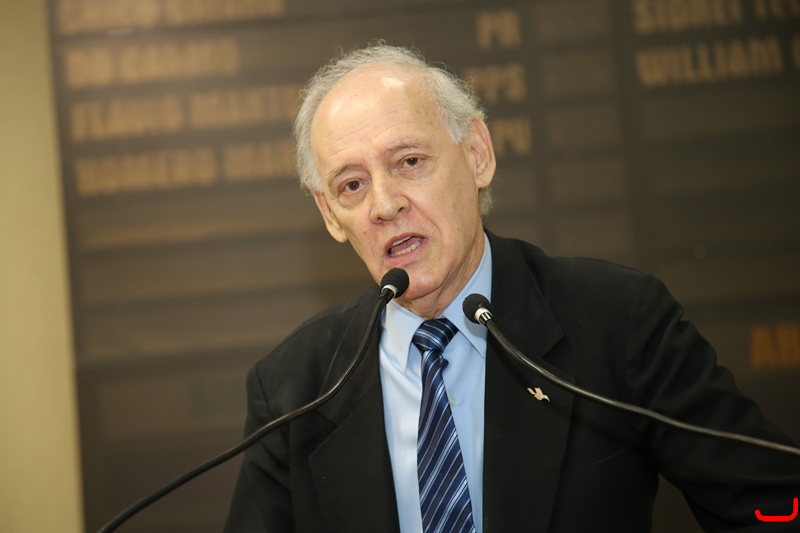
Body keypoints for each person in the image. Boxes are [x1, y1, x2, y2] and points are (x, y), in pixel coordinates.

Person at [225, 44, 800, 532]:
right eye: (352, 185)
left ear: (477, 154)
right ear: (330, 214)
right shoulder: (294, 390)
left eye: (409, 161)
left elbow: (773, 505)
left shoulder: (617, 321)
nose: (384, 204)